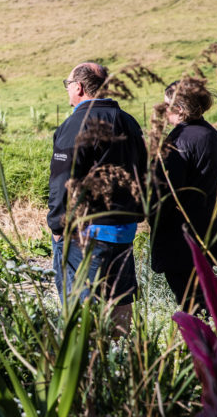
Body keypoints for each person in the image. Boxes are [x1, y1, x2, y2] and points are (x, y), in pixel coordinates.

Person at [48, 62, 146, 333]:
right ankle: (121, 363)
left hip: (85, 234)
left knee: (82, 309)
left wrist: (57, 226)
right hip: (124, 230)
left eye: (67, 85)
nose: (67, 91)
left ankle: (89, 367)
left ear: (78, 87)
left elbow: (62, 181)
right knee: (120, 300)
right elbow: (144, 172)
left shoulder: (75, 124)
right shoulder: (128, 121)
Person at [150, 78, 217, 312]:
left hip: (181, 236)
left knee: (195, 305)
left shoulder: (179, 140)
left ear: (179, 109)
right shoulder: (211, 134)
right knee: (207, 298)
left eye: (166, 104)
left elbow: (165, 192)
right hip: (208, 230)